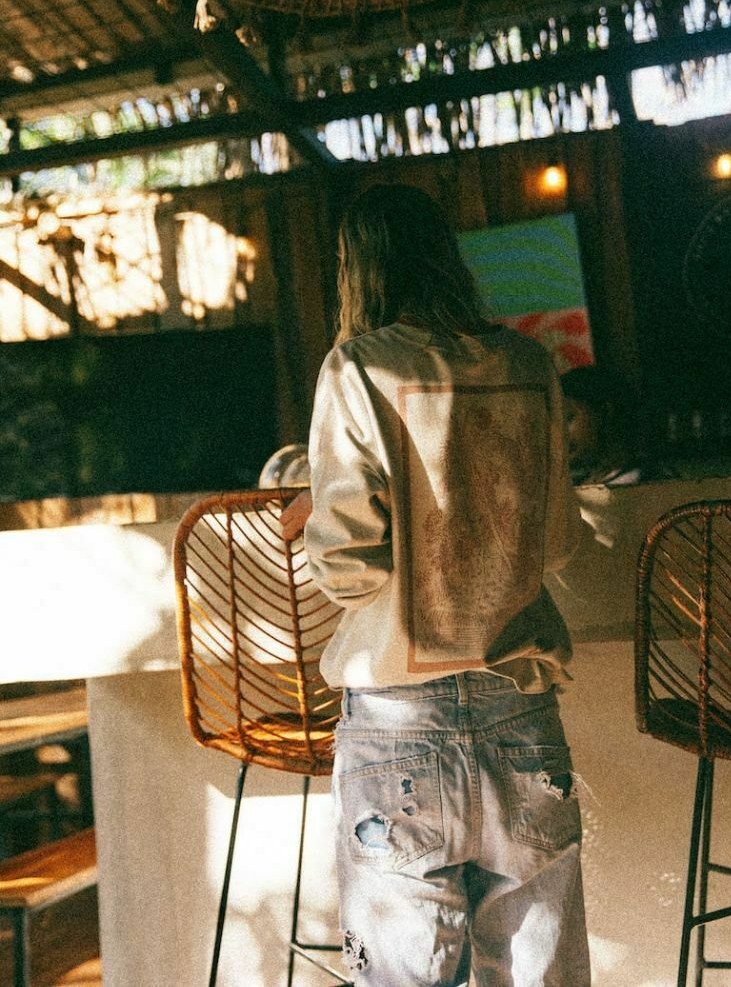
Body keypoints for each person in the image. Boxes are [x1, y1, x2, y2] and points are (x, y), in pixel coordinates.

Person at [282, 183, 589, 987]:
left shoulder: (358, 367)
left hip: (398, 725)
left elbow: (346, 566)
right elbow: (556, 542)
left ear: (357, 269)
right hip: (522, 715)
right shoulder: (528, 363)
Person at [560, 364, 643, 486]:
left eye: (568, 417)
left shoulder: (636, 485)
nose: (560, 433)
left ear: (604, 411)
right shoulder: (582, 482)